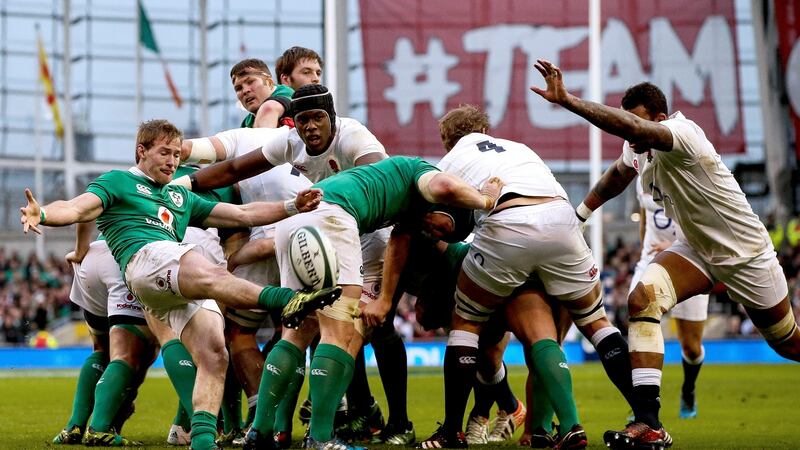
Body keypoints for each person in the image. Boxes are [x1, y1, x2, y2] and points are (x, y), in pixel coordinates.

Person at [20, 119, 341, 450]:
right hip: (144, 258)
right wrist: (41, 213)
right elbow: (75, 208)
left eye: (176, 154)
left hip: (165, 283)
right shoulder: (118, 182)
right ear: (141, 152)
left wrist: (291, 206)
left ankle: (202, 441)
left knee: (214, 353)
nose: (172, 161)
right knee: (212, 276)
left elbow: (242, 215)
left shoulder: (178, 196)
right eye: (164, 153)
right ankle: (289, 299)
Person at [531, 60, 800, 449]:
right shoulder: (637, 149)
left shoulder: (681, 131)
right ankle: (648, 422)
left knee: (787, 342)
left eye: (636, 124)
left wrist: (569, 101)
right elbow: (617, 176)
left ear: (659, 117)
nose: (632, 138)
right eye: (628, 125)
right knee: (642, 297)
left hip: (744, 252)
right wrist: (580, 215)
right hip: (695, 249)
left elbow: (636, 131)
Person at [177, 84, 410, 448]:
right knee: (342, 332)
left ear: (333, 118)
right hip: (332, 229)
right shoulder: (288, 140)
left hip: (336, 230)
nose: (311, 127)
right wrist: (182, 184)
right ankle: (329, 433)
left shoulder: (355, 138)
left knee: (302, 329)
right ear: (293, 122)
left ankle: (268, 430)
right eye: (303, 120)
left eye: (318, 118)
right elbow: (235, 168)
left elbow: (377, 181)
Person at [415, 104, 639, 450]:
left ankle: (452, 432)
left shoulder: (450, 161)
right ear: (485, 132)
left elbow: (443, 221)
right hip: (560, 223)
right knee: (595, 325)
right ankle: (638, 419)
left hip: (508, 228)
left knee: (467, 326)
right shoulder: (520, 149)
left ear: (448, 141)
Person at [242, 155, 503, 450]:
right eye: (444, 228)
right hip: (333, 219)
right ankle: (321, 437)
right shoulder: (425, 174)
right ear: (449, 209)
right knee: (339, 334)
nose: (434, 234)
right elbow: (444, 186)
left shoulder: (401, 197)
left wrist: (385, 299)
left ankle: (259, 432)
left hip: (296, 223)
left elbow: (399, 240)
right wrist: (485, 200)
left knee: (298, 331)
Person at [631, 177, 708, 419]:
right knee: (638, 322)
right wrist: (644, 248)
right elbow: (644, 217)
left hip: (688, 260)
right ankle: (644, 407)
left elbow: (705, 222)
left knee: (692, 348)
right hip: (650, 258)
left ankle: (688, 388)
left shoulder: (689, 169)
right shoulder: (641, 171)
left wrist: (674, 244)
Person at [231, 58, 294, 129]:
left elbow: (269, 108)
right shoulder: (246, 124)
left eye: (250, 82)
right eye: (239, 88)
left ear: (269, 83)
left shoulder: (287, 95)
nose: (245, 91)